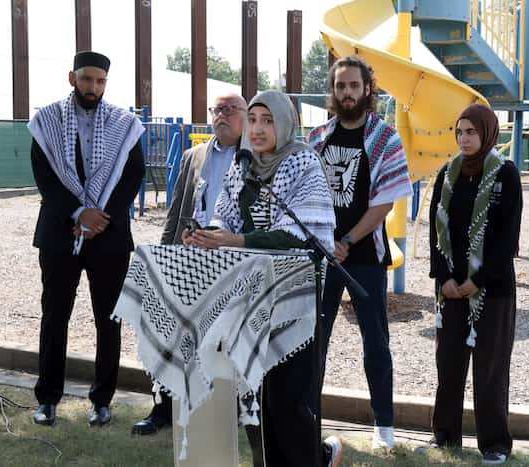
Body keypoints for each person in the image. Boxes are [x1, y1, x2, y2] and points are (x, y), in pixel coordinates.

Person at [184, 90, 341, 467]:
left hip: (294, 295)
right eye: (252, 119)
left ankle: (312, 460)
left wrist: (235, 240)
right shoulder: (243, 164)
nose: (256, 129)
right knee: (254, 392)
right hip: (250, 296)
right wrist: (208, 235)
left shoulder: (304, 162)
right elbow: (225, 218)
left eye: (267, 120)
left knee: (288, 399)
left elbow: (300, 233)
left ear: (285, 123)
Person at [28, 51, 145, 427]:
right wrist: (78, 214)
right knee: (54, 316)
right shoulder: (46, 120)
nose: (93, 88)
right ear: (72, 78)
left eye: (100, 82)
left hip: (108, 237)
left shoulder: (124, 124)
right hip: (60, 234)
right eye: (87, 80)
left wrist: (100, 219)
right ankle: (47, 399)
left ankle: (102, 399)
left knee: (107, 320)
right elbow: (44, 175)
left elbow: (133, 174)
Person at [306, 55, 413, 450]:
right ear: (332, 91)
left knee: (376, 341)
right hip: (321, 257)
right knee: (314, 338)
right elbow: (306, 196)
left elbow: (384, 202)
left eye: (354, 85)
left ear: (367, 89)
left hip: (365, 256)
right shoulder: (318, 138)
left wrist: (347, 241)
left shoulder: (384, 138)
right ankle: (307, 415)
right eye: (340, 86)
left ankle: (383, 424)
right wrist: (325, 243)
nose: (347, 92)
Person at [131, 92, 247, 436]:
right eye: (217, 109)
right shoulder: (192, 155)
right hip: (188, 259)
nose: (222, 115)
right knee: (175, 335)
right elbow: (177, 208)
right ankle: (165, 407)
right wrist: (165, 255)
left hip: (233, 260)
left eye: (230, 109)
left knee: (228, 338)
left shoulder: (254, 157)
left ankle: (233, 409)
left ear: (244, 115)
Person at [428, 104, 522, 465]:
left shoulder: (505, 175)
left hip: (492, 291)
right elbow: (439, 233)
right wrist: (446, 278)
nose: (464, 139)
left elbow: (506, 238)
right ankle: (446, 436)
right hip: (451, 290)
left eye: (471, 132)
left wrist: (476, 281)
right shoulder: (447, 175)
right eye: (459, 132)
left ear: (487, 133)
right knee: (448, 363)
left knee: (491, 368)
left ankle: (495, 444)